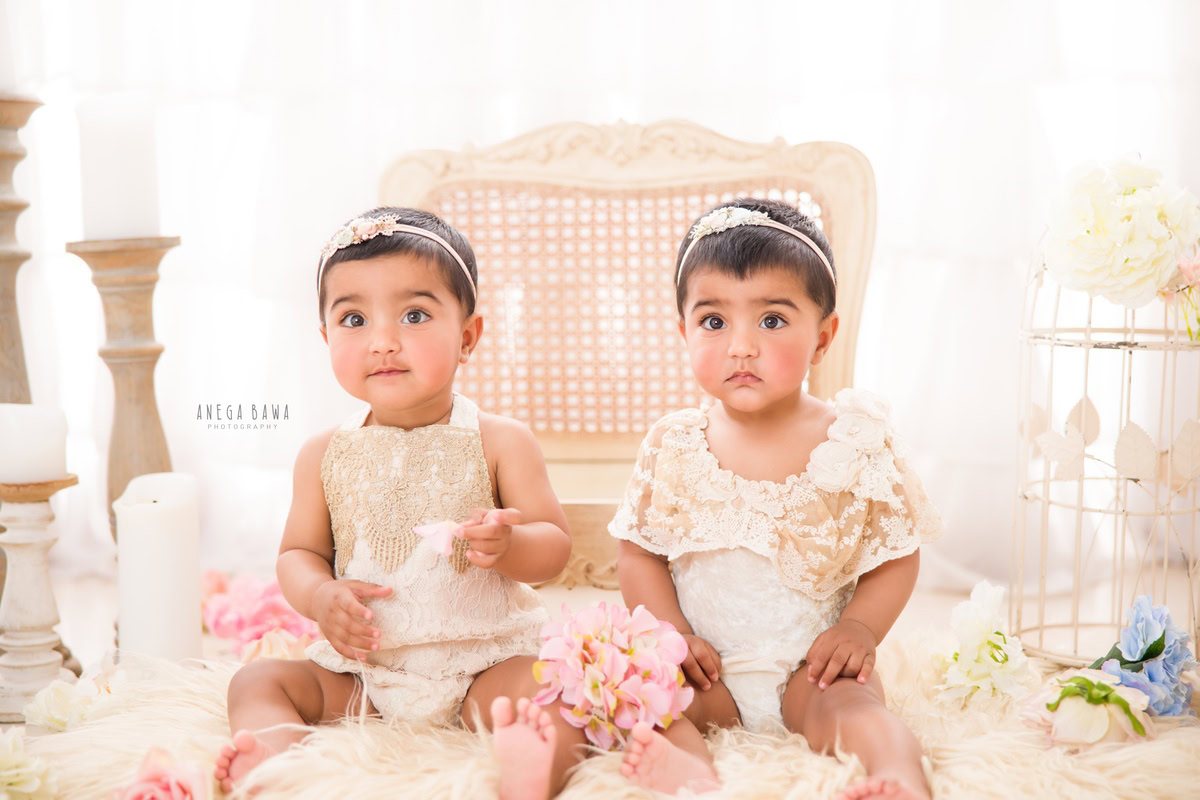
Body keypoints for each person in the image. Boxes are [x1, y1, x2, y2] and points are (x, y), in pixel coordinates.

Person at [212, 206, 714, 800]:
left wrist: (510, 544)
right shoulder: (322, 452)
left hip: (481, 661)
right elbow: (298, 552)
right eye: (353, 318)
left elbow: (554, 547)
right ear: (326, 337)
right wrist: (321, 595)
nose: (383, 341)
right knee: (257, 679)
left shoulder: (499, 441)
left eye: (415, 315)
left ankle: (533, 766)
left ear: (468, 336)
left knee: (551, 692)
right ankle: (273, 760)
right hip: (365, 674)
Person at [610, 199, 944, 800]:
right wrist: (673, 634)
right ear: (683, 331)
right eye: (714, 322)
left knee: (856, 712)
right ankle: (688, 770)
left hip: (810, 667)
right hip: (704, 665)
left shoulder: (856, 439)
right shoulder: (674, 443)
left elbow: (895, 552)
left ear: (823, 337)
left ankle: (897, 777)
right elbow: (639, 555)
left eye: (771, 321)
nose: (741, 346)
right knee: (647, 700)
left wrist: (861, 628)